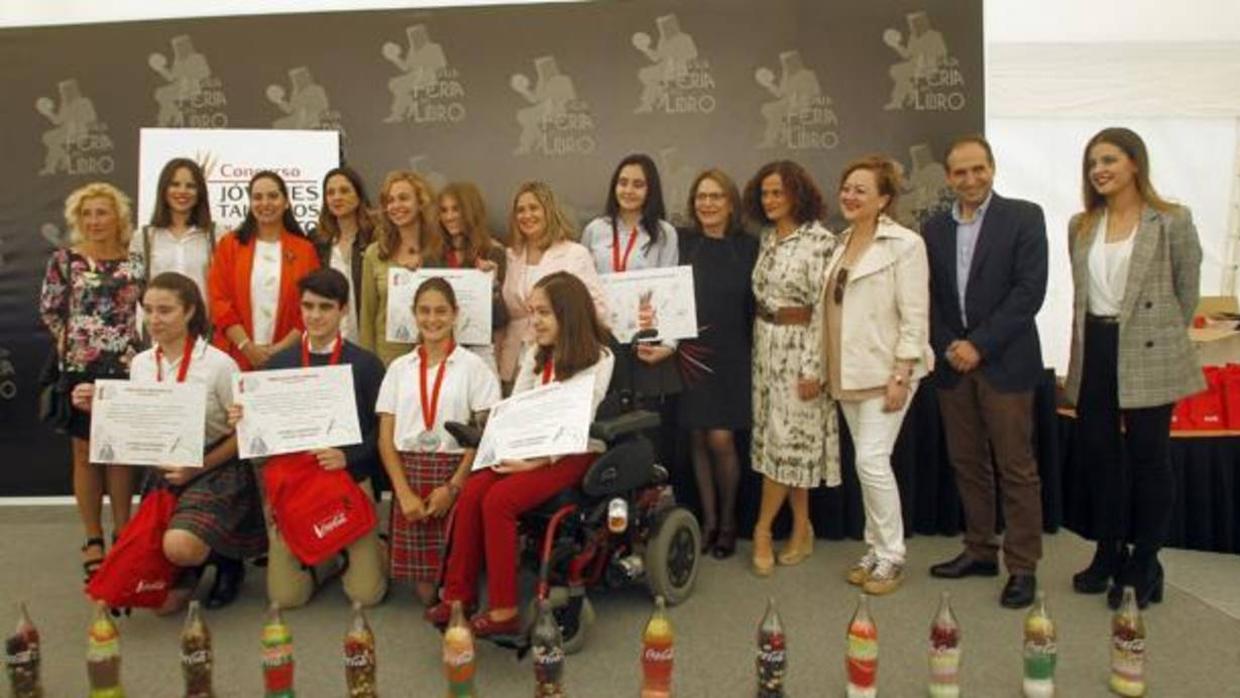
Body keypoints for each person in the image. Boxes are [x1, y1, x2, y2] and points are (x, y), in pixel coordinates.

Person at [428, 271, 614, 636]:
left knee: (500, 500)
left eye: (543, 313)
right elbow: (516, 408)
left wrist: (535, 462)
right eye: (532, 313)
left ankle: (504, 610)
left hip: (573, 451)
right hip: (530, 446)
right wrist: (503, 449)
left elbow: (577, 421)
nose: (535, 321)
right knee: (474, 487)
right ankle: (458, 597)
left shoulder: (600, 357)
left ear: (568, 313)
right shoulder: (534, 355)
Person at [1064, 127, 1203, 610]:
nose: (1099, 170)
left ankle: (1146, 559)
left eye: (1109, 160)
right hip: (1096, 347)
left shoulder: (1171, 220)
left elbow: (1187, 292)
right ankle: (1108, 550)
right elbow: (1082, 297)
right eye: (1092, 163)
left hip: (1149, 347)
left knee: (1149, 459)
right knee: (1099, 457)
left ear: (1134, 164)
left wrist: (1163, 336)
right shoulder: (1081, 225)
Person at [73, 272, 265, 612]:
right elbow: (136, 427)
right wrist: (99, 408)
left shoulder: (219, 364)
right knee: (163, 606)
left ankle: (226, 560)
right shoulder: (142, 364)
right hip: (164, 471)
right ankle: (191, 565)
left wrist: (198, 467)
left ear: (190, 311)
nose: (153, 320)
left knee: (179, 546)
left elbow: (246, 433)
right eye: (147, 310)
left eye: (165, 310)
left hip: (216, 467)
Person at [924, 135, 1048, 609]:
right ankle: (979, 550)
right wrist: (949, 344)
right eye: (960, 172)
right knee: (967, 463)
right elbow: (928, 296)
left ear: (993, 168)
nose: (970, 180)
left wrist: (980, 344)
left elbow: (1029, 292)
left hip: (1005, 363)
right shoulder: (932, 228)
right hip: (954, 366)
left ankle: (1022, 566)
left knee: (1016, 468)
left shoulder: (1025, 216)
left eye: (979, 169)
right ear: (949, 177)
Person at [231, 268, 389, 609]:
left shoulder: (365, 365)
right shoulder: (278, 365)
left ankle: (374, 547)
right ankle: (329, 561)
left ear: (343, 309)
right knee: (286, 598)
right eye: (308, 306)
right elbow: (264, 439)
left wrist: (350, 457)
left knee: (366, 596)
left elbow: (383, 432)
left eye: (325, 307)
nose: (315, 316)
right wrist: (245, 419)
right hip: (296, 484)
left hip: (347, 479)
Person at [823, 156, 932, 595]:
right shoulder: (840, 242)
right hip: (848, 373)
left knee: (871, 461)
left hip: (889, 373)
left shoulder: (904, 244)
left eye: (861, 190)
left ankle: (891, 556)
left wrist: (902, 373)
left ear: (884, 199)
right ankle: (875, 549)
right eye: (846, 187)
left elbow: (915, 315)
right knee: (866, 463)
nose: (849, 195)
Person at [40, 182, 143, 583]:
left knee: (118, 452)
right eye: (87, 214)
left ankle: (123, 530)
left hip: (126, 366)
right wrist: (79, 348)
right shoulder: (65, 260)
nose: (95, 221)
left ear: (117, 217)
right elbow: (50, 310)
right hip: (80, 367)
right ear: (78, 220)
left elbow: (145, 312)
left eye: (102, 212)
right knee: (84, 452)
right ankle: (93, 537)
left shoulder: (135, 262)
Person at [376, 277, 501, 605]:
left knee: (456, 583)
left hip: (455, 470)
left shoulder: (476, 368)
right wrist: (402, 494)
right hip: (410, 474)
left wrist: (454, 488)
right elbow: (386, 440)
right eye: (425, 311)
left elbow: (486, 437)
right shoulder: (398, 369)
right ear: (414, 314)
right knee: (427, 592)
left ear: (455, 313)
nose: (433, 319)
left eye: (441, 311)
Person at [745, 160, 838, 577]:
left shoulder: (820, 241)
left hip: (801, 351)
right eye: (765, 193)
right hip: (766, 348)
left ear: (797, 194)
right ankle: (802, 527)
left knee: (787, 443)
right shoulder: (766, 238)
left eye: (778, 193)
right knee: (787, 446)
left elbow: (824, 309)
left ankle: (763, 529)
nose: (770, 200)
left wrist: (813, 368)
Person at [580, 154, 682, 494]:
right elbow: (583, 286)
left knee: (646, 426)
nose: (629, 190)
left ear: (650, 189)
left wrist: (669, 345)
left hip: (645, 343)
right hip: (604, 343)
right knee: (608, 423)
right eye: (623, 182)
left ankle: (648, 502)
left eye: (638, 184)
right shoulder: (595, 230)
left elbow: (671, 291)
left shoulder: (664, 233)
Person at [676, 169, 757, 559]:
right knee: (696, 437)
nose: (707, 203)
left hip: (734, 353)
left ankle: (728, 522)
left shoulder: (749, 247)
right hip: (691, 352)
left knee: (721, 439)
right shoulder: (684, 244)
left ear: (730, 203)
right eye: (700, 197)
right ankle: (707, 521)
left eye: (715, 196)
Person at [498, 181, 607, 390]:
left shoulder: (574, 253)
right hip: (513, 359)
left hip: (560, 359)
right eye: (520, 210)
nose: (526, 215)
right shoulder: (511, 256)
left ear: (549, 211)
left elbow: (597, 309)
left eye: (533, 208)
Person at [207, 171, 319, 371]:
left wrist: (281, 349)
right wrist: (246, 346)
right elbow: (219, 300)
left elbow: (311, 305)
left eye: (273, 196)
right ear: (250, 203)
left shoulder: (305, 250)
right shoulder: (229, 245)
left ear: (286, 202)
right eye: (257, 197)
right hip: (236, 356)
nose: (265, 203)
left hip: (288, 358)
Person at [359, 170, 443, 366]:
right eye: (390, 200)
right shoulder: (375, 254)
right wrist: (367, 364)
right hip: (387, 360)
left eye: (404, 198)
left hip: (435, 358)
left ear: (420, 203)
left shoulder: (439, 251)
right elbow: (367, 316)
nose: (396, 206)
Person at [130, 158, 220, 312]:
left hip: (205, 331)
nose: (182, 191)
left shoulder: (217, 235)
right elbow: (137, 287)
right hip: (160, 330)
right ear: (164, 189)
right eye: (175, 184)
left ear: (200, 192)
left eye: (190, 186)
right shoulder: (143, 238)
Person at [435, 181, 508, 371]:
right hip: (439, 348)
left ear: (470, 211)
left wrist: (493, 287)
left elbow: (501, 320)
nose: (449, 217)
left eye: (456, 209)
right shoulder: (432, 256)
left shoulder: (493, 252)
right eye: (444, 210)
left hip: (480, 351)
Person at [313, 166, 379, 344]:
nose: (336, 197)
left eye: (344, 191)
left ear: (359, 195)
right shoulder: (317, 241)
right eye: (330, 192)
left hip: (368, 340)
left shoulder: (376, 237)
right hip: (329, 341)